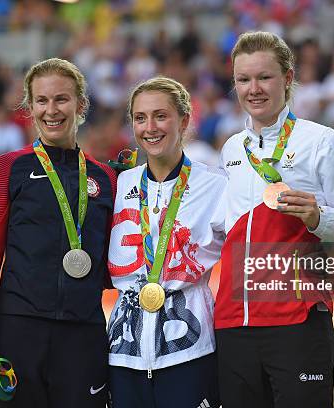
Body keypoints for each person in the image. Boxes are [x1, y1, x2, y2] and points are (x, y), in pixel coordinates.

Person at [214, 31, 334, 407]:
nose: (253, 89)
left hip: (297, 321)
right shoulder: (231, 148)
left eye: (264, 77)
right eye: (243, 79)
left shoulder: (320, 140)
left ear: (287, 79)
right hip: (235, 322)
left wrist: (320, 218)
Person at [0, 58, 115, 408]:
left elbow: (113, 265)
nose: (51, 110)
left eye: (61, 99)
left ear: (81, 105)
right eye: (42, 101)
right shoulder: (9, 167)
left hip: (83, 334)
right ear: (30, 107)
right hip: (18, 331)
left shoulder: (106, 179)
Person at [106, 76, 226, 408]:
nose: (150, 127)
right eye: (140, 118)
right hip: (123, 354)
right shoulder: (117, 185)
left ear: (184, 120)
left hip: (191, 351)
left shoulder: (216, 185)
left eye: (161, 116)